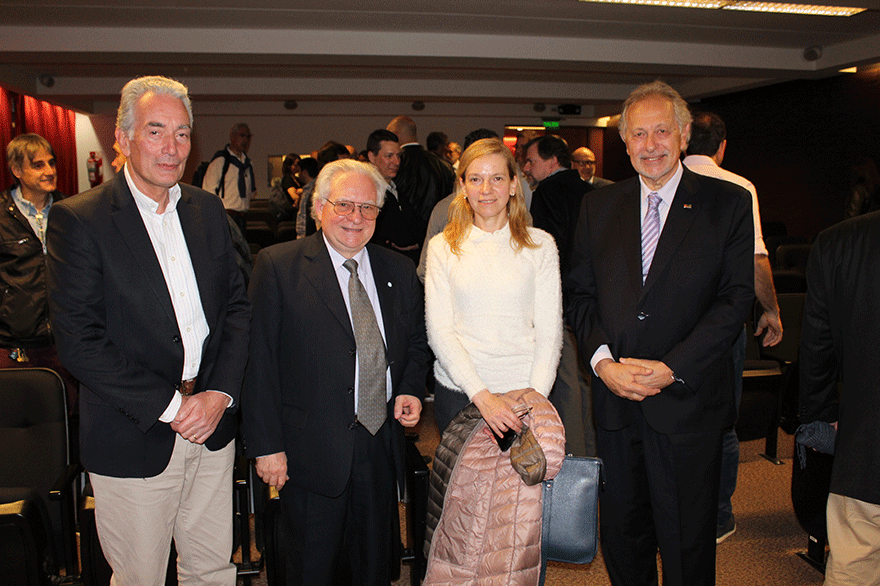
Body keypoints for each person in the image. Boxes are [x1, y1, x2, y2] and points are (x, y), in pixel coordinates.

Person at [46, 75, 251, 585]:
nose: (172, 147)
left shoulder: (207, 210)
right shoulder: (81, 220)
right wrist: (175, 406)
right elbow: (79, 341)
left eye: (182, 133)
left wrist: (219, 393)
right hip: (134, 429)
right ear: (123, 137)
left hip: (211, 427)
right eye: (156, 131)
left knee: (212, 570)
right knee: (140, 577)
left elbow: (237, 309)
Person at [567, 81, 754, 586]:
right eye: (638, 134)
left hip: (688, 404)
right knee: (624, 539)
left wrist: (672, 369)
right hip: (615, 401)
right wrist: (603, 362)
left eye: (662, 131)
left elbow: (735, 300)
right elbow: (580, 295)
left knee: (687, 540)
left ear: (685, 134)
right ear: (624, 142)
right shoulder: (598, 207)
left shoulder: (728, 202)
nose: (650, 145)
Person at [242, 159, 431, 586]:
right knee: (311, 566)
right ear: (319, 207)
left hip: (379, 442)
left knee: (373, 565)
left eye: (368, 208)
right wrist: (267, 446)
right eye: (344, 204)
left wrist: (409, 389)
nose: (356, 218)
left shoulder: (398, 271)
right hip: (307, 450)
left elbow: (415, 343)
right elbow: (259, 363)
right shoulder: (278, 266)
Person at [684, 110, 783, 543]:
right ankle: (719, 516)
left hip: (673, 327)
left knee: (673, 418)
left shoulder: (660, 182)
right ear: (722, 147)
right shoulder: (739, 187)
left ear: (683, 139)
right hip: (723, 325)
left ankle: (673, 507)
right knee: (723, 420)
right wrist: (772, 311)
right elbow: (757, 259)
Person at [424, 137, 562, 437]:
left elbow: (550, 333)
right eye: (475, 179)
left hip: (527, 392)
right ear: (463, 187)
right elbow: (440, 333)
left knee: (522, 485)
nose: (486, 190)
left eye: (497, 178)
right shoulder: (442, 247)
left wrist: (534, 396)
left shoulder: (541, 245)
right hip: (461, 393)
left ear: (513, 184)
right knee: (464, 485)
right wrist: (482, 396)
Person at [800, 210, 880, 586]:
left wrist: (822, 414)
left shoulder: (838, 241)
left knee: (856, 555)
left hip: (865, 440)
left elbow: (817, 345)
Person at [523, 134, 596, 457]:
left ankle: (574, 454)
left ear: (552, 161)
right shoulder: (589, 191)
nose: (526, 168)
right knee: (586, 376)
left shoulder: (547, 193)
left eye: (532, 161)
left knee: (564, 378)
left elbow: (548, 250)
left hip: (561, 295)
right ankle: (591, 447)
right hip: (591, 295)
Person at [1, 133, 78, 411]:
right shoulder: (2, 215)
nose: (50, 171)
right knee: (19, 423)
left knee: (68, 418)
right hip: (15, 344)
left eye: (52, 163)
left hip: (65, 340)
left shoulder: (72, 211)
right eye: (38, 165)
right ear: (17, 171)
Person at [416, 128, 500, 284]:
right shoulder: (445, 210)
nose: (486, 188)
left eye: (497, 177)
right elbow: (426, 271)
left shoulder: (517, 214)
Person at [386, 116, 455, 248]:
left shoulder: (394, 166)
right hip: (440, 238)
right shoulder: (444, 165)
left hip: (404, 244)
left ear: (395, 135)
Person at [366, 129, 420, 263]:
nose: (396, 162)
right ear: (372, 157)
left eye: (398, 156)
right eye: (389, 156)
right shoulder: (368, 193)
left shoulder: (397, 190)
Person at [203, 122, 256, 233]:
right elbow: (208, 192)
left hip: (242, 218)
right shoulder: (221, 161)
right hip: (225, 217)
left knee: (241, 250)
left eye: (248, 136)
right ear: (232, 137)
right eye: (242, 135)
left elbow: (250, 193)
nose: (245, 140)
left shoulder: (247, 164)